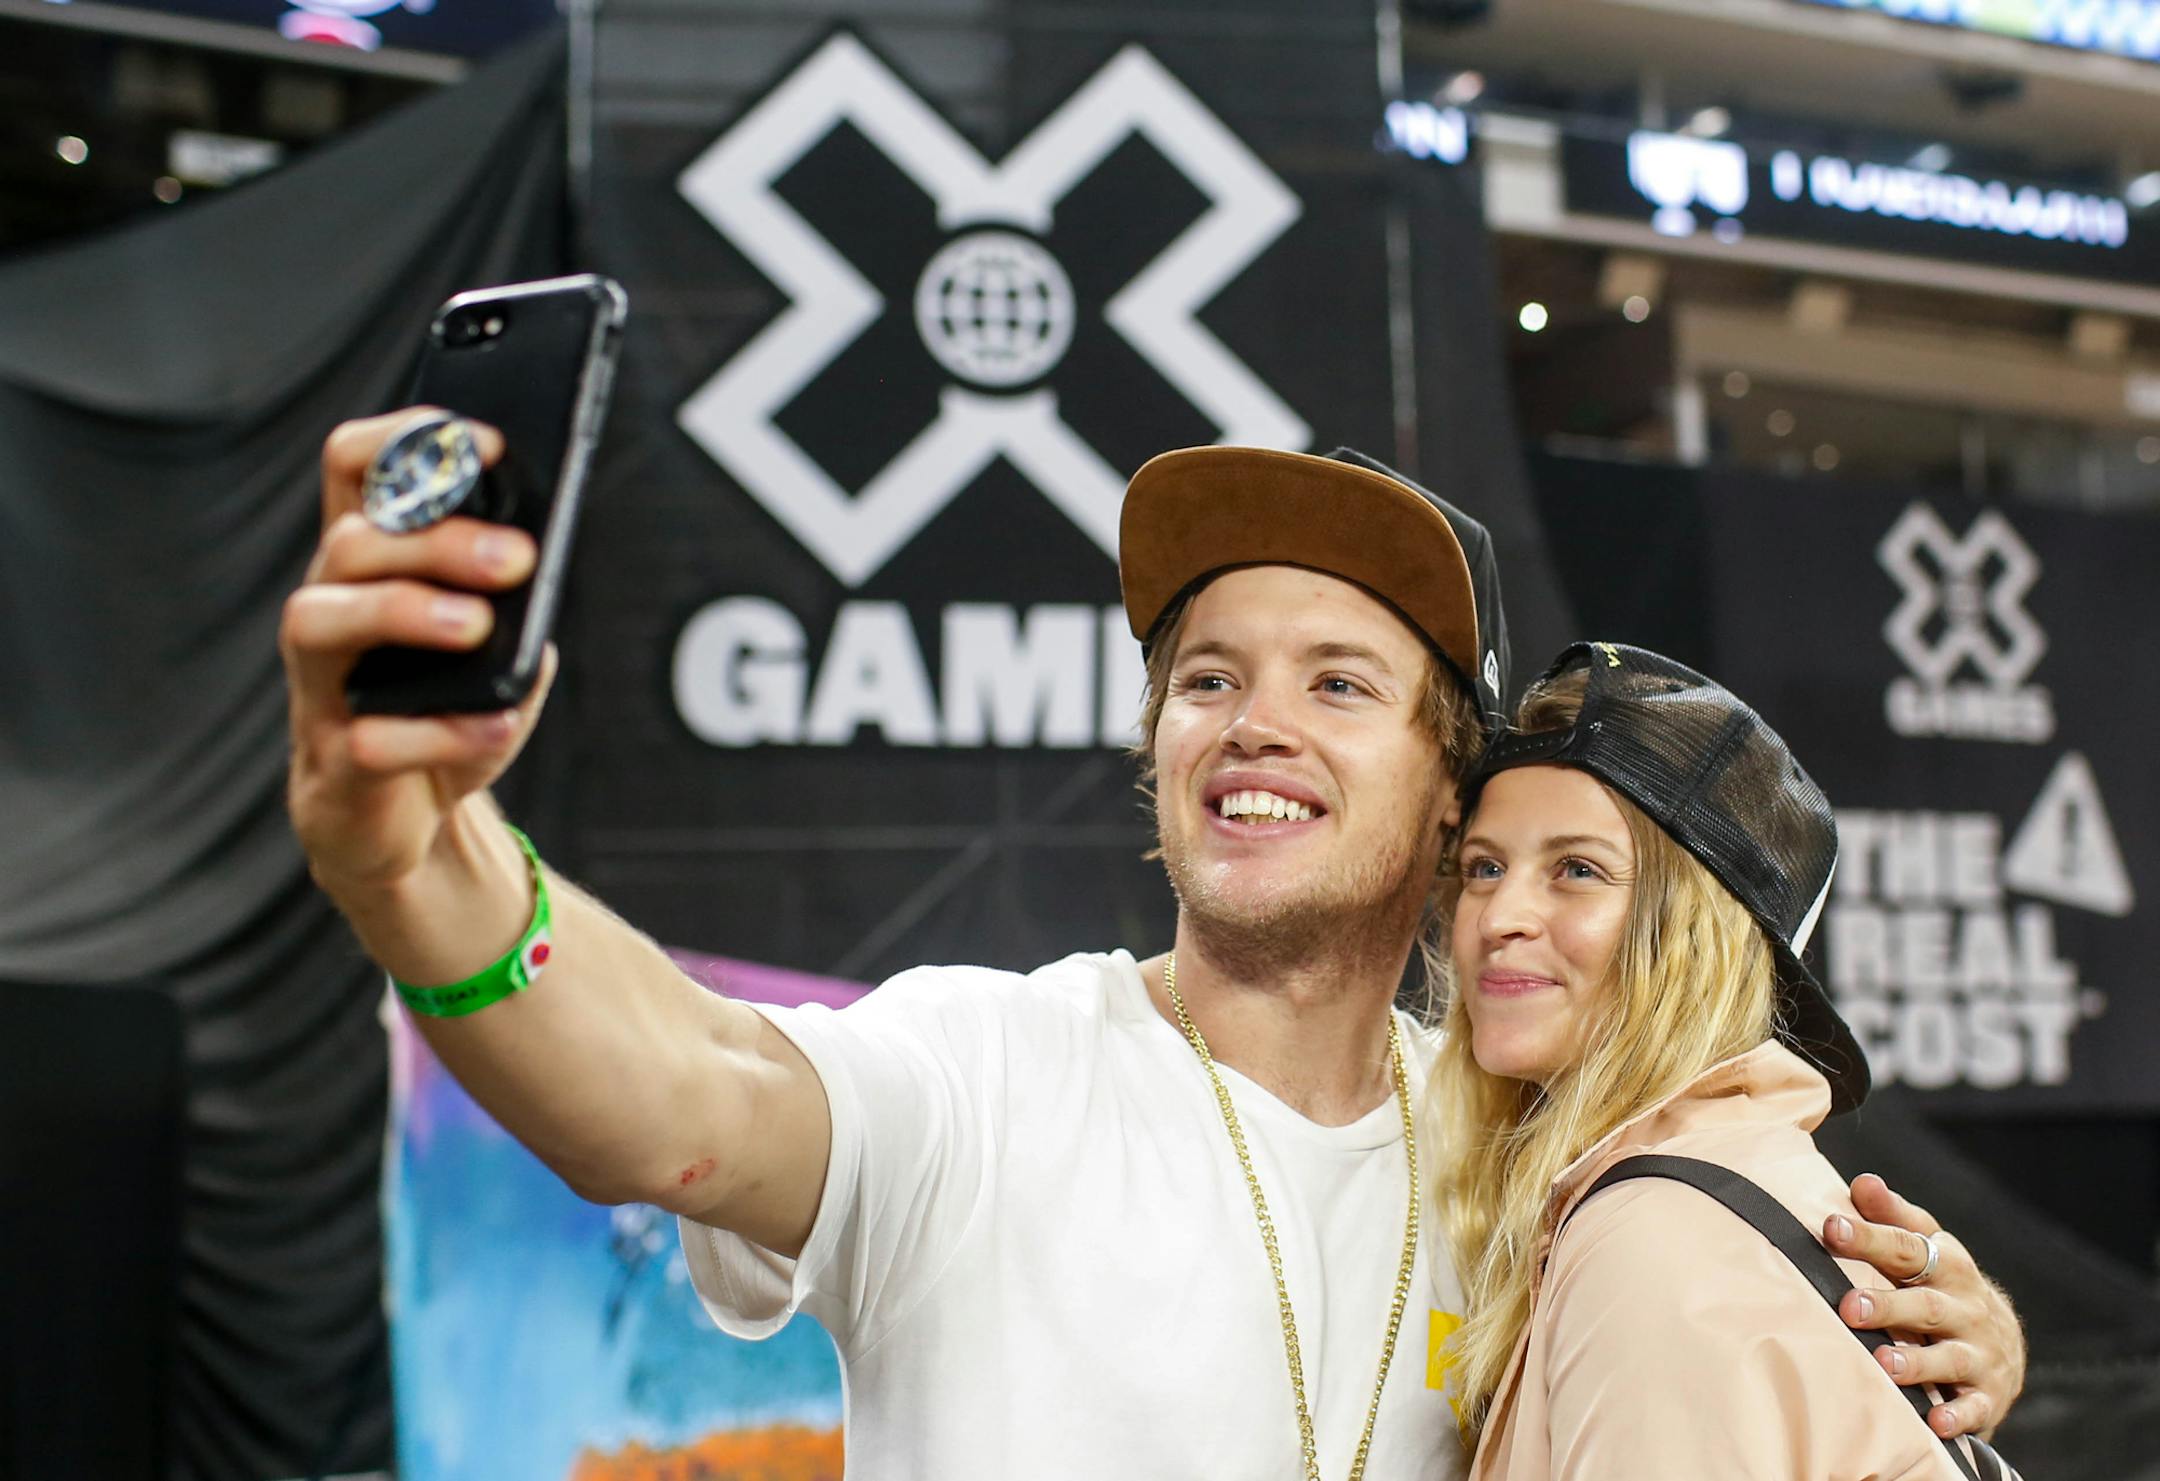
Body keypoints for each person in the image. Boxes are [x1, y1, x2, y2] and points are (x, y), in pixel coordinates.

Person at [281, 417, 2024, 1478]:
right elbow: (676, 1090)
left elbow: (1754, 1327)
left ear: (1447, 802)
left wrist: (1952, 1350)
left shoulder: (1535, 1157)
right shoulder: (988, 1069)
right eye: (1208, 678)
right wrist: (420, 866)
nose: (1252, 723)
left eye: (1339, 684)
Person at [1435, 641, 2019, 1479]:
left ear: (1691, 936)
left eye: (1576, 869)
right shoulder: (1714, 1172)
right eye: (1485, 867)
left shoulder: (1652, 1235)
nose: (1499, 915)